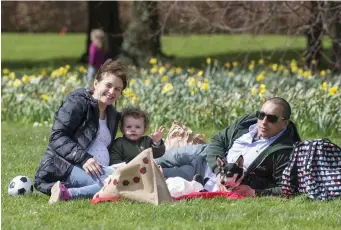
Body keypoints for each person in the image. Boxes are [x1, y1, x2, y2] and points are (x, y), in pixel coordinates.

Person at [156, 97, 301, 197]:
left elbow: (286, 189)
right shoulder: (247, 122)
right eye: (261, 115)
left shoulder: (284, 152)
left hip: (204, 177)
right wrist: (218, 170)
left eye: (272, 118)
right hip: (207, 155)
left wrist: (255, 193)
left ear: (285, 123)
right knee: (159, 159)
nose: (263, 122)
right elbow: (218, 140)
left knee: (155, 175)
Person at [34, 59, 128, 204]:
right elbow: (57, 137)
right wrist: (84, 158)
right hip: (62, 168)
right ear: (96, 84)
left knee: (125, 177)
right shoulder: (78, 102)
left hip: (98, 170)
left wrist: (155, 144)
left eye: (117, 89)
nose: (112, 92)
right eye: (108, 85)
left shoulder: (112, 115)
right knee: (115, 183)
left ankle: (67, 192)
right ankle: (65, 193)